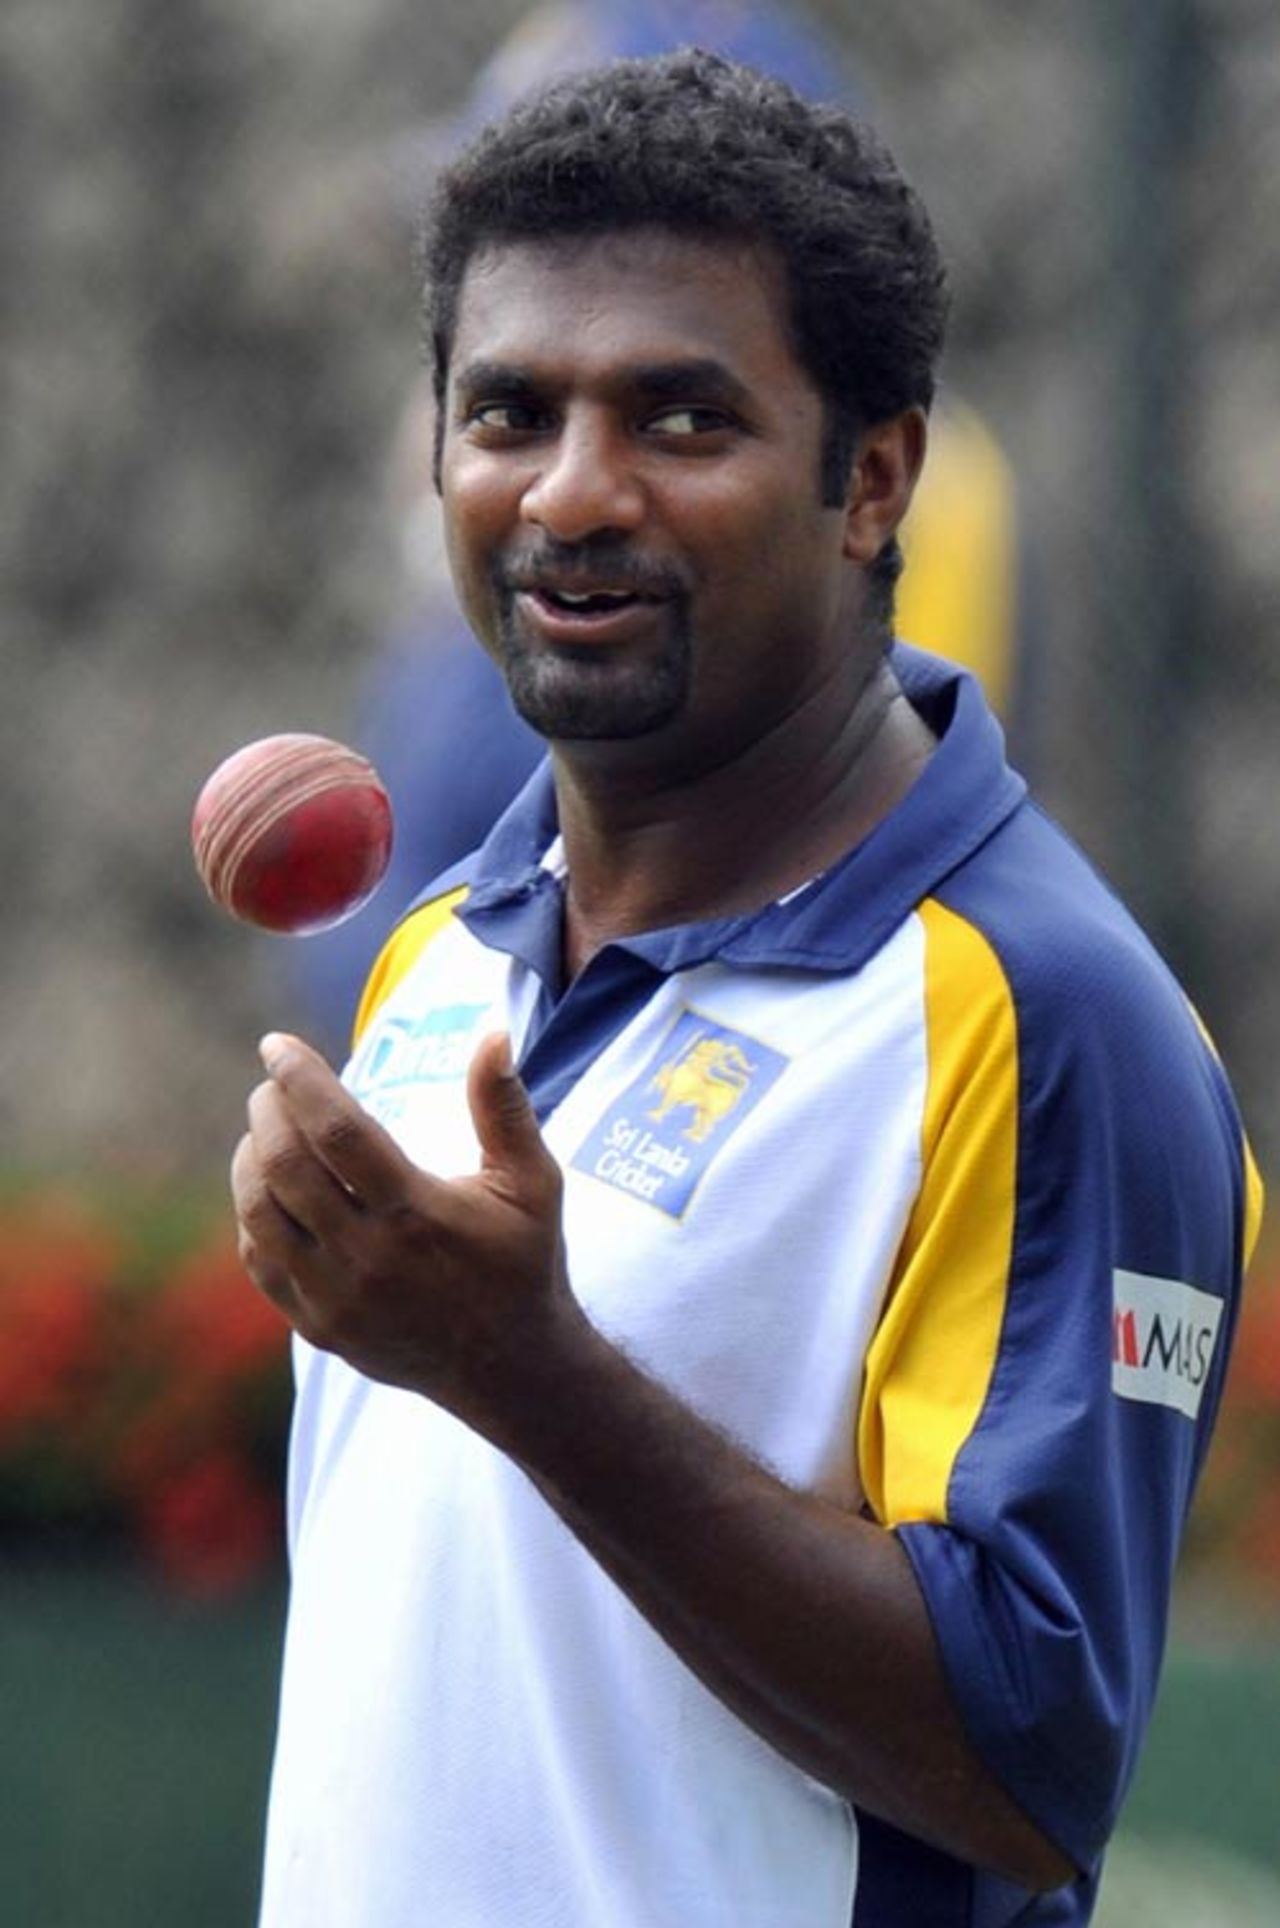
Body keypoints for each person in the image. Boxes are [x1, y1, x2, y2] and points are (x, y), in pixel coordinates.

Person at [233, 51, 1263, 1928]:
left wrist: (522, 1366)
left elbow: (1034, 1756)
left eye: (682, 421)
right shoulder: (439, 951)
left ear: (872, 478)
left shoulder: (1047, 1015)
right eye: (508, 411)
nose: (572, 492)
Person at [287, 0, 1026, 1061]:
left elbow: (848, 895)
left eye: (678, 417)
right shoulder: (506, 523)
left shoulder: (906, 503)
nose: (572, 488)